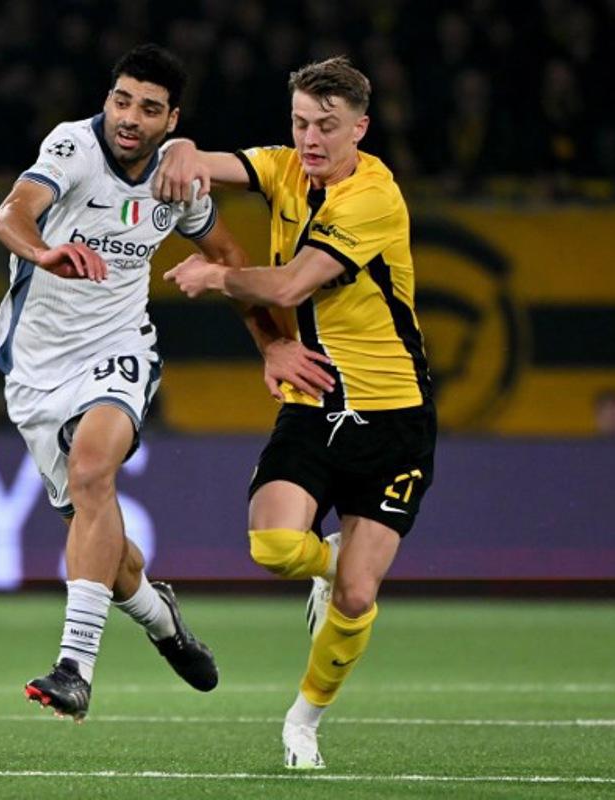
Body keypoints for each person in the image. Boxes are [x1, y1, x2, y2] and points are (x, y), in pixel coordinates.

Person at [0, 43, 303, 722]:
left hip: (119, 350)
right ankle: (162, 620)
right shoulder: (72, 150)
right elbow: (9, 214)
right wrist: (44, 249)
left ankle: (74, 669)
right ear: (108, 99)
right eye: (122, 100)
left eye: (149, 108)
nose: (131, 117)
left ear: (172, 118)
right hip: (37, 369)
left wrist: (276, 347)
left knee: (93, 470)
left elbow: (228, 257)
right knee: (114, 555)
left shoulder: (177, 179)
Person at [156, 55, 437, 768]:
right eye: (301, 122)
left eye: (328, 126)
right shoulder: (286, 166)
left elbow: (288, 284)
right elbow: (215, 164)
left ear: (360, 129)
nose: (311, 138)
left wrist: (217, 274)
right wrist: (182, 150)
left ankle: (303, 722)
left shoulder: (372, 198)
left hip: (395, 418)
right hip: (316, 402)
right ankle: (326, 562)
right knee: (275, 547)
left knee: (356, 597)